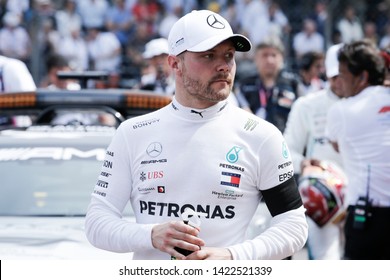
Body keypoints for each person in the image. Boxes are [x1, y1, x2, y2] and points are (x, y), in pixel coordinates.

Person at [85, 9, 308, 260]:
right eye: (208, 55)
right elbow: (96, 222)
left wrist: (233, 256)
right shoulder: (132, 133)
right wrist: (150, 235)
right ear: (174, 64)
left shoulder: (263, 136)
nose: (223, 66)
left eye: (229, 56)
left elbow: (294, 225)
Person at [326, 40, 390, 259]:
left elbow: (336, 144)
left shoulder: (341, 111)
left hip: (368, 220)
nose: (340, 83)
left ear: (362, 77)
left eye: (343, 75)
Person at [283, 43, 347, 260]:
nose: (341, 81)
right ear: (326, 74)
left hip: (362, 199)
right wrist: (304, 164)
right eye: (336, 75)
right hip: (324, 198)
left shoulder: (373, 104)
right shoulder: (306, 105)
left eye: (348, 74)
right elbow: (286, 152)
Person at [235, 35, 300, 133]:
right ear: (256, 58)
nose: (270, 60)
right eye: (265, 55)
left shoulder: (294, 83)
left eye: (274, 55)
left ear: (281, 58)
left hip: (285, 141)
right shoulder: (244, 85)